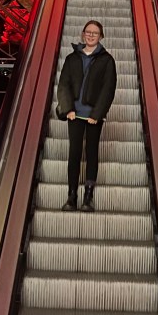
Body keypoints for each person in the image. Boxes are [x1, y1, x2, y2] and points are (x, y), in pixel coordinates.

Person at [56, 20, 117, 212]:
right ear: (83, 35)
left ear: (101, 37)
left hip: (93, 116)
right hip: (74, 114)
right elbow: (63, 85)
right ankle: (71, 196)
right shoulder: (72, 58)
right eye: (88, 32)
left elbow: (108, 89)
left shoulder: (107, 60)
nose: (91, 35)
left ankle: (88, 197)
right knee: (74, 154)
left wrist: (97, 114)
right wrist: (68, 109)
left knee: (91, 154)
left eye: (95, 33)